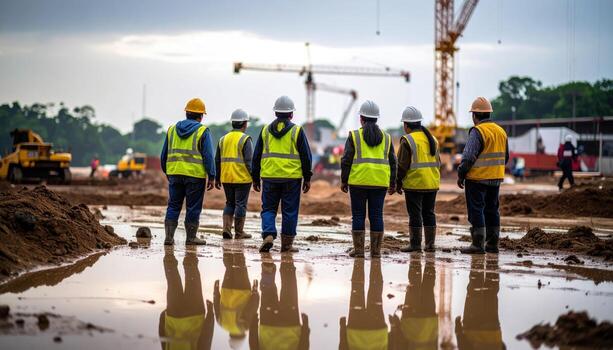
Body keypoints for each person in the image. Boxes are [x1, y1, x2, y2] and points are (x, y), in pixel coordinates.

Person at [252, 96, 313, 253]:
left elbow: (256, 155)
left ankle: (268, 234)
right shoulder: (297, 131)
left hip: (269, 177)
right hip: (291, 179)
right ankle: (287, 245)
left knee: (268, 210)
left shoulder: (265, 131)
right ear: (291, 114)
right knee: (290, 211)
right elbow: (306, 156)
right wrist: (307, 178)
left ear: (275, 113)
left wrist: (255, 177)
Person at [340, 100, 396, 258]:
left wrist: (344, 180)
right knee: (376, 215)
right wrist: (393, 182)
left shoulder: (354, 136)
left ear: (361, 119)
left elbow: (346, 160)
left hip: (358, 181)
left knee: (358, 216)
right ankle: (375, 252)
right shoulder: (387, 138)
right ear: (377, 118)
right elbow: (393, 162)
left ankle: (358, 251)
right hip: (379, 182)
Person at [161, 98, 215, 246]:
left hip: (175, 174)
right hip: (195, 176)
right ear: (201, 116)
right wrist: (212, 176)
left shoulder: (172, 130)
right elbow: (208, 155)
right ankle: (191, 237)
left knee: (173, 205)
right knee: (193, 207)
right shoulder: (203, 131)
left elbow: (164, 154)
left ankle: (169, 237)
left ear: (186, 113)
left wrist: (168, 171)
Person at [457, 97, 508, 254]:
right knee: (492, 210)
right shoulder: (501, 131)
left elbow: (468, 157)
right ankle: (493, 244)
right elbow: (506, 157)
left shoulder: (478, 131)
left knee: (476, 210)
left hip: (477, 179)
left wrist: (461, 174)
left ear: (474, 115)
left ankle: (477, 244)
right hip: (496, 178)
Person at [395, 106, 441, 253]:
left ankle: (415, 244)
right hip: (431, 183)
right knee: (429, 213)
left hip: (415, 184)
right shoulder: (432, 139)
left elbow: (401, 166)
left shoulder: (407, 140)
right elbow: (438, 162)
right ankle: (430, 245)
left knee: (415, 214)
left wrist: (397, 183)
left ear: (406, 125)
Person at [249, 253, 310, 350]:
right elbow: (254, 345)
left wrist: (306, 329)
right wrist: (253, 323)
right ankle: (267, 273)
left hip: (290, 327)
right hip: (268, 326)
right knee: (268, 292)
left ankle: (287, 264)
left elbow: (303, 347)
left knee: (289, 288)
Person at [159, 247, 214, 350]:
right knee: (172, 281)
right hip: (173, 317)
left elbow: (205, 341)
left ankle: (190, 255)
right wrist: (163, 317)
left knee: (193, 279)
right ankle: (168, 257)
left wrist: (211, 315)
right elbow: (163, 338)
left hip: (194, 315)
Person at [215, 109, 254, 240]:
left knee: (229, 203)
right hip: (242, 178)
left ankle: (226, 230)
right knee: (240, 204)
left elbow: (217, 160)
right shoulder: (245, 139)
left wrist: (217, 177)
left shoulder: (222, 139)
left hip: (226, 177)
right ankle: (239, 232)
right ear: (244, 123)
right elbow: (249, 162)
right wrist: (255, 178)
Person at [455, 255, 504, 349]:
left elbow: (504, 347)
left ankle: (492, 257)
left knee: (491, 293)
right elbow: (464, 347)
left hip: (493, 330)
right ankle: (488, 251)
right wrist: (458, 330)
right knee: (474, 292)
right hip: (474, 327)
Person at [214, 246, 259, 348]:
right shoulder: (221, 324)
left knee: (240, 265)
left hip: (242, 291)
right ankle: (227, 248)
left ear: (242, 336)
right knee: (229, 268)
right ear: (230, 336)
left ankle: (238, 245)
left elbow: (251, 308)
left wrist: (255, 292)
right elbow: (216, 304)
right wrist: (215, 291)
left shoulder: (243, 327)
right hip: (226, 289)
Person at [389, 256, 438, 349]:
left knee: (426, 287)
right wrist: (395, 323)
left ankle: (423, 259)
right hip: (412, 320)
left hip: (427, 321)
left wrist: (395, 324)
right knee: (417, 287)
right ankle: (421, 257)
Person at [339, 259, 388, 349]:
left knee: (375, 292)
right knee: (357, 290)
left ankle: (361, 253)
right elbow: (343, 347)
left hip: (377, 333)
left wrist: (342, 327)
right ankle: (375, 254)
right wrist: (342, 327)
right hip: (356, 332)